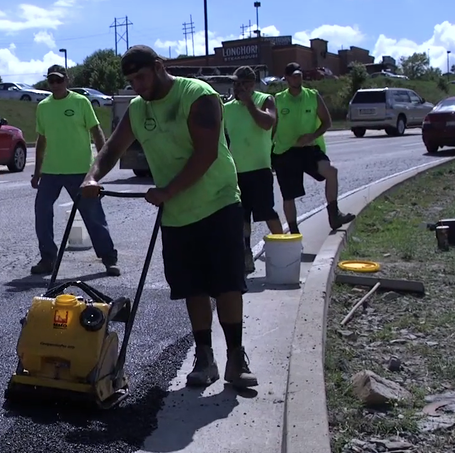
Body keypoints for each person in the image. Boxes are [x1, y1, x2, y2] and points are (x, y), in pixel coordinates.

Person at [79, 45, 257, 389]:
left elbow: (206, 154)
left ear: (159, 67)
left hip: (218, 202)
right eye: (131, 80)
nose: (137, 85)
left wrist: (167, 190)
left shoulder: (197, 95)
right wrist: (93, 176)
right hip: (177, 213)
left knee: (227, 284)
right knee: (192, 287)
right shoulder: (136, 109)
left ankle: (236, 356)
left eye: (141, 76)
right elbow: (113, 148)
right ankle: (204, 357)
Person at [30, 64, 121, 277]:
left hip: (80, 171)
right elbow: (41, 140)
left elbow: (96, 131)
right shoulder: (43, 106)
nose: (55, 84)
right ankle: (47, 258)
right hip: (52, 172)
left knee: (93, 215)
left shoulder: (81, 102)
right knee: (42, 211)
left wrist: (102, 161)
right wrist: (37, 172)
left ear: (67, 80)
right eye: (51, 81)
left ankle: (109, 259)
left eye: (59, 80)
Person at [271, 62, 356, 232]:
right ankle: (294, 232)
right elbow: (271, 129)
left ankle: (334, 214)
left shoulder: (312, 95)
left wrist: (312, 136)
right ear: (287, 78)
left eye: (299, 75)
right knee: (289, 196)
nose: (298, 78)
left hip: (310, 149)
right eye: (294, 76)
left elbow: (327, 122)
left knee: (331, 171)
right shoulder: (278, 99)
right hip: (285, 152)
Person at [222, 65, 281, 274]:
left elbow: (268, 123)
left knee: (266, 211)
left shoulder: (264, 100)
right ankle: (245, 255)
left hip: (260, 168)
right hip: (237, 171)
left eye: (242, 84)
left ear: (251, 84)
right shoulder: (227, 108)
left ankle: (282, 249)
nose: (237, 88)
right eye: (235, 84)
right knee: (241, 217)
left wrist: (249, 105)